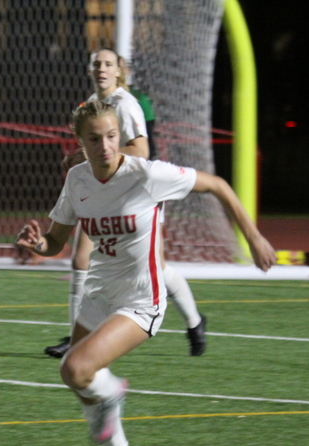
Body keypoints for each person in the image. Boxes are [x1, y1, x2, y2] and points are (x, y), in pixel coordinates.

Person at [17, 101, 276, 446]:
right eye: (94, 139)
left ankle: (114, 394)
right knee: (81, 378)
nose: (105, 145)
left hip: (141, 300)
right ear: (80, 142)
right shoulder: (77, 180)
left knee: (74, 369)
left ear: (119, 135)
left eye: (110, 136)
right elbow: (56, 240)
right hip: (100, 293)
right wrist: (38, 245)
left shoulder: (148, 174)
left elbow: (218, 186)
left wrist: (254, 238)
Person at [45, 48, 207, 359]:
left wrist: (92, 157)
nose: (101, 69)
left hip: (136, 191)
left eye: (108, 64)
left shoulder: (125, 103)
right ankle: (76, 335)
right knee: (80, 259)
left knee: (154, 267)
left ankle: (195, 321)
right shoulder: (95, 103)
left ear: (120, 70)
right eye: (96, 63)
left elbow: (141, 151)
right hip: (103, 189)